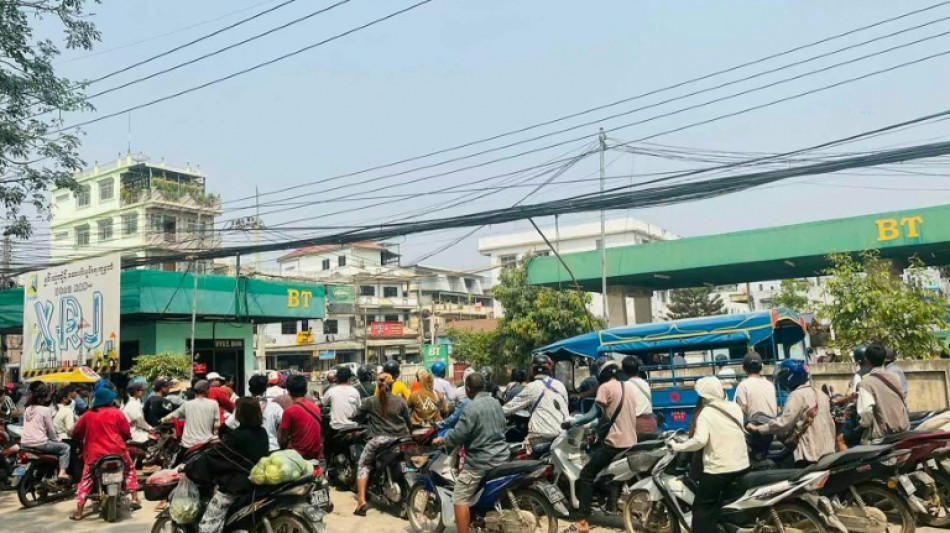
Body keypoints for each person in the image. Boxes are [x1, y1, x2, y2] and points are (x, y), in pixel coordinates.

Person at [563, 356, 639, 533]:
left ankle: (582, 522)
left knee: (586, 474)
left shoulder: (605, 388)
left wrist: (572, 422)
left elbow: (590, 415)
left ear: (601, 372)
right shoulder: (627, 387)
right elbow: (610, 417)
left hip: (615, 443)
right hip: (631, 441)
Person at [670, 376, 749, 533]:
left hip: (719, 470)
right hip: (742, 466)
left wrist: (678, 446)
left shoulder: (706, 413)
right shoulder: (734, 407)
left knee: (701, 508)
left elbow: (699, 441)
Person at [432, 372, 509, 533]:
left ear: (467, 389)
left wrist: (443, 439)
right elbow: (503, 425)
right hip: (502, 456)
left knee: (459, 497)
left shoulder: (470, 407)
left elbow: (459, 433)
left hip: (480, 462)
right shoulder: (495, 402)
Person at [188, 397, 270, 533]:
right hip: (257, 485)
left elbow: (215, 457)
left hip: (235, 487)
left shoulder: (236, 436)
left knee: (207, 527)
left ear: (240, 414)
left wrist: (188, 468)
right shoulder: (262, 433)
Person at [70, 387, 141, 521]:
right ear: (109, 400)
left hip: (94, 455)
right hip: (118, 452)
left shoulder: (87, 415)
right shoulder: (117, 413)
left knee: (86, 479)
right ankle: (134, 498)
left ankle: (79, 511)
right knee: (130, 470)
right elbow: (126, 433)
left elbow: (76, 433)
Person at [748, 359, 835, 467]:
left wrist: (758, 429)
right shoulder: (821, 394)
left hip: (811, 454)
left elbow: (784, 424)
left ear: (789, 376)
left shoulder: (797, 395)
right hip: (828, 450)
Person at [353, 373, 411, 516]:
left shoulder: (370, 401)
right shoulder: (401, 401)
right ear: (393, 384)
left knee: (364, 464)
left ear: (377, 384)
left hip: (380, 441)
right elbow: (408, 421)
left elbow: (356, 416)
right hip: (403, 439)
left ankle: (361, 501)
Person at [503, 354, 569, 444]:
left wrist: (494, 412)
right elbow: (565, 405)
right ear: (549, 369)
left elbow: (508, 409)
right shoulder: (560, 385)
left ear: (533, 370)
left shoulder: (532, 387)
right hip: (562, 435)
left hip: (540, 437)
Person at [857, 343, 910, 442]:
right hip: (903, 431)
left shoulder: (865, 384)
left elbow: (866, 418)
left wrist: (859, 424)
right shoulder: (895, 377)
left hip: (882, 439)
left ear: (867, 360)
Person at [20, 386, 71, 480]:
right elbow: (50, 429)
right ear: (42, 399)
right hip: (40, 444)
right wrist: (56, 440)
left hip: (24, 443)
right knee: (65, 448)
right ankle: (62, 473)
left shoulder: (27, 409)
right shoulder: (45, 410)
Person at [228, 374, 282, 451]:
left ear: (250, 389)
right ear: (265, 389)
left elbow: (229, 424)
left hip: (250, 450)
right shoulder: (275, 407)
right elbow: (284, 424)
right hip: (272, 448)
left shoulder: (242, 405)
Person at [161, 380, 220, 449]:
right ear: (206, 390)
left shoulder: (187, 404)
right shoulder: (214, 404)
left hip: (188, 444)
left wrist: (162, 420)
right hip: (206, 442)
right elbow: (217, 424)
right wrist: (216, 434)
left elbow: (171, 416)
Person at [278, 374, 323, 460]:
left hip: (298, 456)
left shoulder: (289, 411)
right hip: (316, 454)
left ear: (289, 391)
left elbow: (283, 439)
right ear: (306, 390)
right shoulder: (315, 407)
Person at [733, 351, 777, 419]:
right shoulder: (770, 385)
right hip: (772, 425)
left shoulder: (743, 386)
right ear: (761, 367)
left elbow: (740, 411)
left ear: (743, 367)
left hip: (755, 427)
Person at [622, 355, 657, 438]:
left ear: (623, 370)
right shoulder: (645, 383)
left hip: (637, 426)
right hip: (651, 423)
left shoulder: (624, 386)